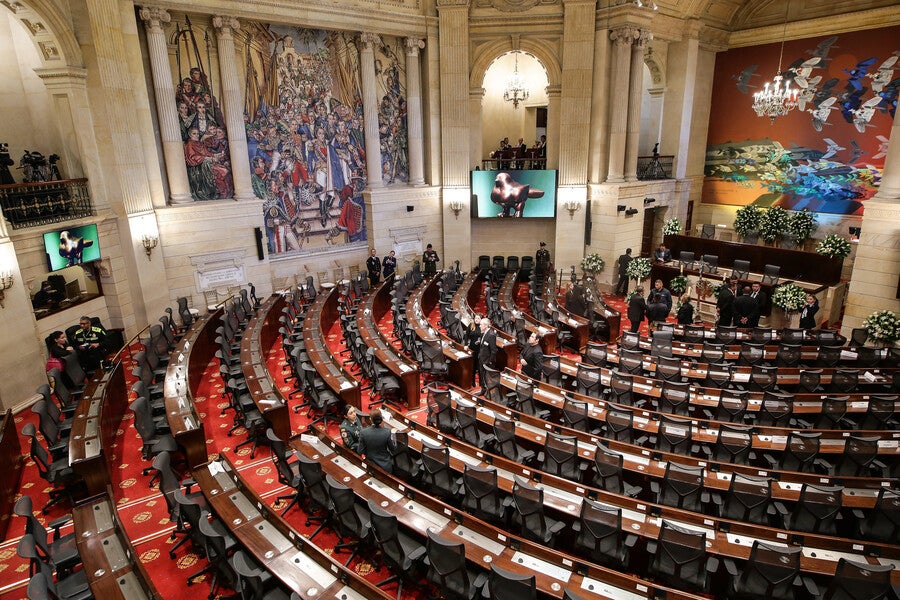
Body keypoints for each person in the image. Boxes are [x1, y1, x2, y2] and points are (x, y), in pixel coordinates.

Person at [475, 317, 497, 392]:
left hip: (487, 361)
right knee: (481, 376)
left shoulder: (491, 335)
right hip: (482, 358)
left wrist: (489, 362)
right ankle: (483, 390)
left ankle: (487, 391)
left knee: (486, 377)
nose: (479, 326)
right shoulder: (484, 333)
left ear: (485, 326)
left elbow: (494, 350)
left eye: (481, 325)